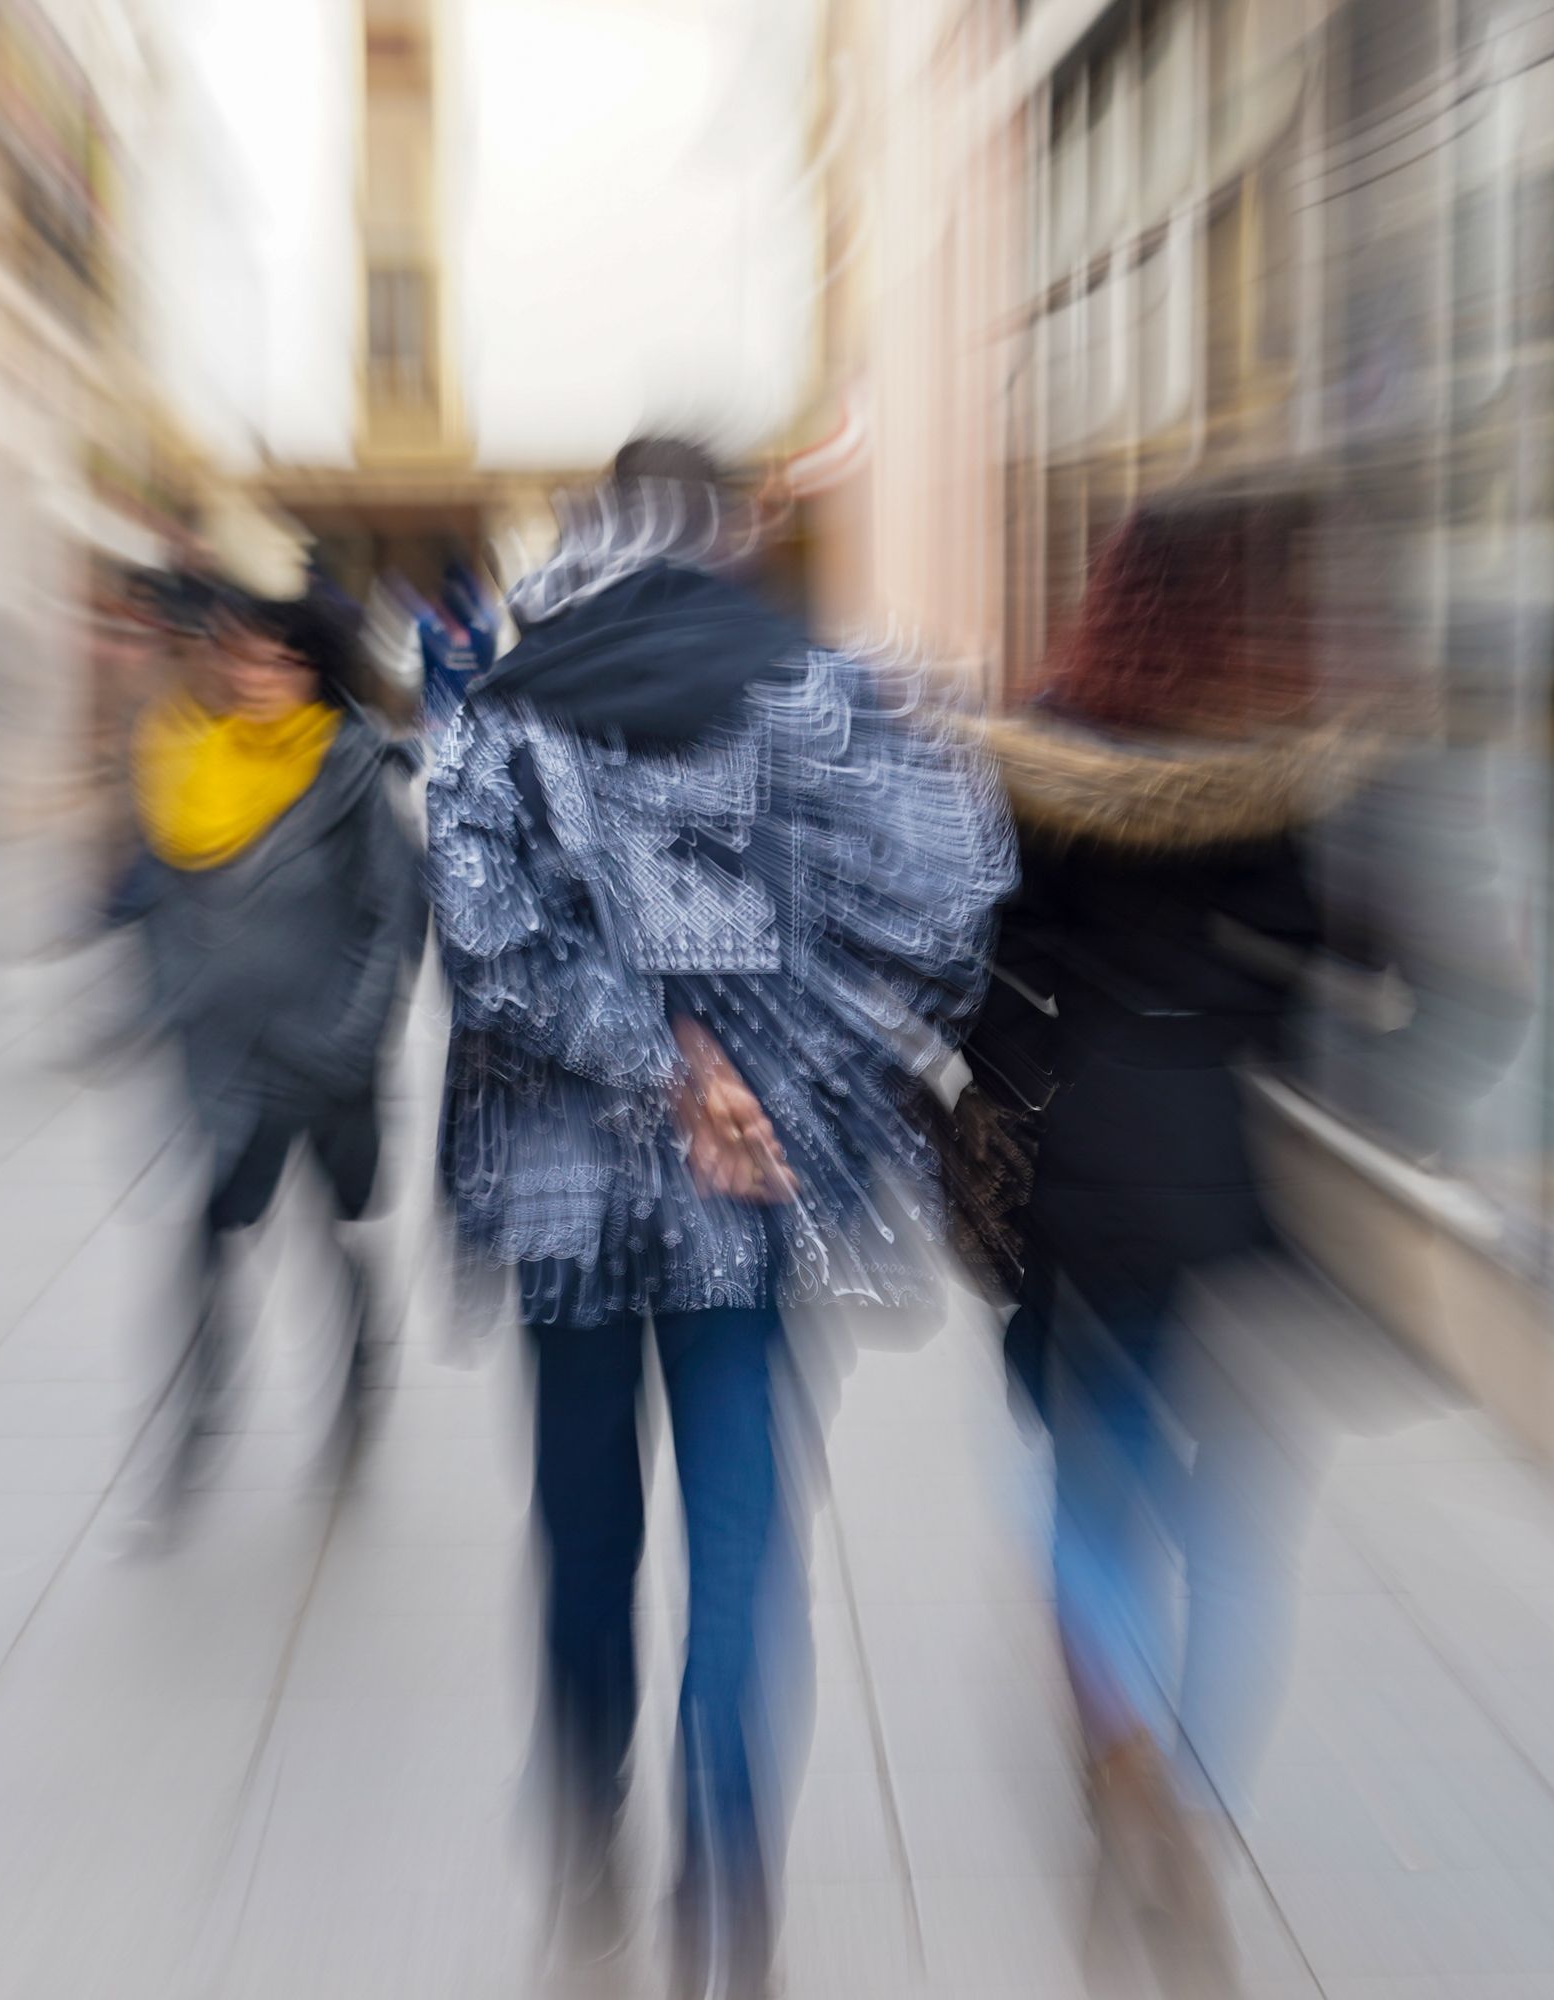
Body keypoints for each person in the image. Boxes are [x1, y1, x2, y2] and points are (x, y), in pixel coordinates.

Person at [428, 437, 1013, 1998]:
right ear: (730, 530)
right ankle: (727, 1875)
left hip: (565, 1205)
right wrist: (777, 1061)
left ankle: (582, 1814)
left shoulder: (509, 708)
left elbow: (484, 948)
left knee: (581, 1529)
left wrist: (649, 1053)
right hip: (749, 1202)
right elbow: (957, 891)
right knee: (744, 1540)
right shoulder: (818, 691)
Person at [973, 488, 1385, 1976]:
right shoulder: (1287, 765)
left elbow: (978, 969)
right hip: (1227, 1173)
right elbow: (1349, 966)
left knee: (1086, 1477)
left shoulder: (1035, 749)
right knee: (1232, 1524)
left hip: (1076, 1166)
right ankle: (1193, 1803)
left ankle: (1123, 1744)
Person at [119, 583, 427, 1533]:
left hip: (324, 1058)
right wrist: (171, 1001)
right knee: (208, 1241)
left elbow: (395, 918)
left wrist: (349, 1037)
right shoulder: (190, 763)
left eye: (278, 661)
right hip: (223, 1058)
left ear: (316, 671)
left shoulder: (351, 772)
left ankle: (356, 1400)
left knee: (332, 1236)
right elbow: (159, 904)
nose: (254, 677)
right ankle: (193, 1438)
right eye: (241, 657)